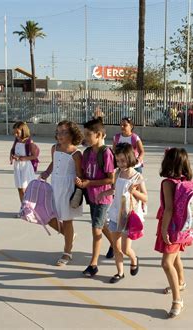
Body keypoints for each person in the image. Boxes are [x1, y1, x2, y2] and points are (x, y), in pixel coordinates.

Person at [97, 143, 148, 283]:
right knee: (116, 246)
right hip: (116, 214)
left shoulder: (137, 177)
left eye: (123, 161)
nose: (120, 164)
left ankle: (134, 258)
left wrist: (135, 191)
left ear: (130, 158)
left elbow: (146, 197)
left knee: (126, 249)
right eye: (118, 161)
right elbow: (115, 189)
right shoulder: (118, 173)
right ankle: (120, 272)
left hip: (129, 216)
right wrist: (103, 193)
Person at [155, 148, 193, 318]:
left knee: (166, 263)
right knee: (176, 256)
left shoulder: (168, 183)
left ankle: (177, 300)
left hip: (170, 227)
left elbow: (169, 208)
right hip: (182, 226)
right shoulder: (184, 180)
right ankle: (181, 282)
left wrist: (164, 230)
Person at [75, 118, 115, 277]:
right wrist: (81, 181)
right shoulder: (87, 152)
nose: (85, 138)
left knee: (96, 229)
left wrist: (89, 182)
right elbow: (85, 173)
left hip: (103, 197)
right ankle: (114, 244)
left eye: (87, 134)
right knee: (101, 224)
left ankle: (93, 264)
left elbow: (111, 179)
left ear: (99, 135)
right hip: (91, 196)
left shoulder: (106, 153)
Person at [40, 121, 83, 266]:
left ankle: (67, 252)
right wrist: (46, 172)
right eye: (58, 132)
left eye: (64, 132)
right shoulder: (54, 148)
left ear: (72, 134)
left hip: (67, 189)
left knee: (67, 220)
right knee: (46, 215)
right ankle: (69, 235)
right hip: (55, 186)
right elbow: (53, 163)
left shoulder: (76, 153)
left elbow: (79, 173)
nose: (60, 135)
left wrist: (80, 185)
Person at [10, 121, 39, 213]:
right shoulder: (17, 140)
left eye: (17, 132)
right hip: (18, 166)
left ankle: (29, 207)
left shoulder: (29, 142)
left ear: (23, 131)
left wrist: (23, 158)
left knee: (25, 188)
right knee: (19, 188)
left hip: (26, 167)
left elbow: (35, 156)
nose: (15, 134)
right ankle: (23, 207)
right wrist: (12, 156)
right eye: (14, 132)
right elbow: (13, 150)